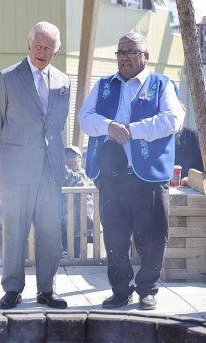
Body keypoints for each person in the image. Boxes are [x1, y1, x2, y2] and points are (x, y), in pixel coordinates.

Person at [79, 31, 184, 310]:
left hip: (148, 177)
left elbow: (172, 120)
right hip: (111, 178)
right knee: (114, 237)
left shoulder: (161, 84)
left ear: (145, 56)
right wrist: (109, 126)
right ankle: (120, 291)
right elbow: (84, 119)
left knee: (152, 238)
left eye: (131, 52)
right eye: (120, 52)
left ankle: (147, 290)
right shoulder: (103, 85)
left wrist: (132, 131)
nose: (125, 57)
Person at [0, 21, 70, 310]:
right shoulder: (7, 78)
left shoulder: (63, 82)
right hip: (16, 170)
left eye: (49, 47)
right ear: (29, 44)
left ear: (56, 51)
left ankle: (47, 290)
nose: (42, 51)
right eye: (38, 45)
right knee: (14, 232)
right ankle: (12, 289)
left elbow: (58, 127)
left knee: (50, 233)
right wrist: (19, 153)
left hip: (50, 171)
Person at [60, 146, 94, 259]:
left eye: (73, 157)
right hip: (63, 223)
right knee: (64, 253)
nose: (70, 160)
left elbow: (80, 183)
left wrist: (63, 169)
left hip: (79, 226)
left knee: (75, 255)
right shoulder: (61, 176)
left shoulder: (83, 174)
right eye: (67, 157)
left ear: (80, 159)